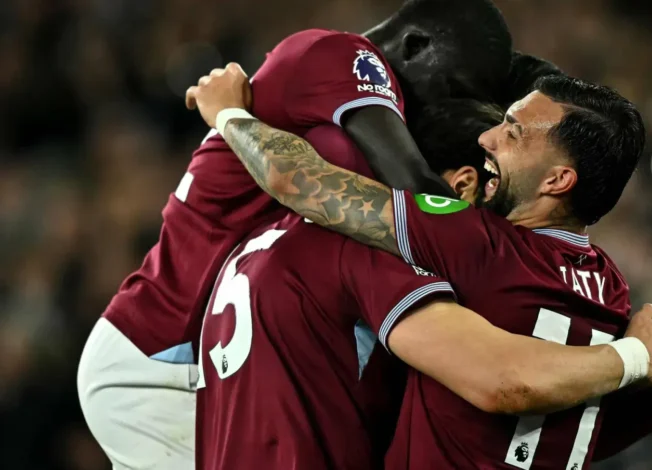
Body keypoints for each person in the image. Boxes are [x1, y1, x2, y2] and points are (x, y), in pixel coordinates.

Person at [185, 65, 652, 469]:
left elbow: (298, 183)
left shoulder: (474, 241)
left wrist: (227, 113)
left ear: (558, 181)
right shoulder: (609, 286)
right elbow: (566, 436)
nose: (487, 137)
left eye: (513, 132)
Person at [76, 0, 521, 467]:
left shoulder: (333, 88)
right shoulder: (344, 55)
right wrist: (521, 253)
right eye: (453, 85)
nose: (447, 103)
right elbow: (414, 191)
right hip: (162, 354)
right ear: (416, 44)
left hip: (189, 351)